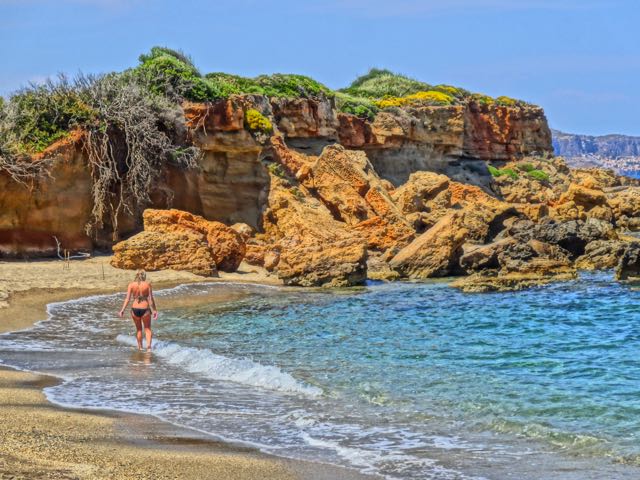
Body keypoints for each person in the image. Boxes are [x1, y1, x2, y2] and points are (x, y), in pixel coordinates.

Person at [119, 269, 158, 351]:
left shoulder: (131, 285)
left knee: (139, 329)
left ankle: (140, 348)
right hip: (145, 309)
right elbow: (150, 299)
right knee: (147, 329)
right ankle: (148, 348)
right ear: (144, 276)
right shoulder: (147, 285)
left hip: (135, 309)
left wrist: (122, 310)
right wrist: (154, 310)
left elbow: (127, 299)